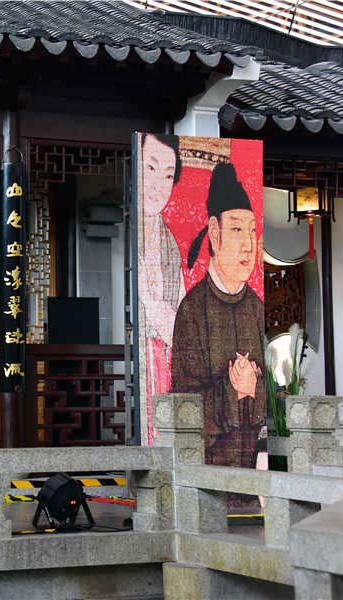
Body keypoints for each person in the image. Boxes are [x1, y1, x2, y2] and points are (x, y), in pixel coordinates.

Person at [171, 162, 265, 470]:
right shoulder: (192, 309)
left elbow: (273, 398)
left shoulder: (255, 307)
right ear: (214, 231)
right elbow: (183, 407)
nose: (249, 245)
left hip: (253, 470)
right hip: (209, 469)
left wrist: (255, 387)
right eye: (237, 229)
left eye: (252, 230)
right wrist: (233, 390)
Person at [138, 133, 185, 445]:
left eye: (168, 176)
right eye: (151, 169)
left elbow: (180, 327)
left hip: (164, 365)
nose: (158, 185)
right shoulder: (132, 232)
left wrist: (153, 303)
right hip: (142, 365)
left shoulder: (169, 244)